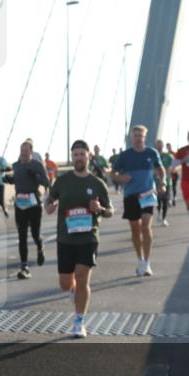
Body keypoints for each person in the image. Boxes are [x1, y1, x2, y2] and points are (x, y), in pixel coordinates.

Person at [45, 140, 113, 338]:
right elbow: (50, 198)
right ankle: (73, 291)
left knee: (83, 278)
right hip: (65, 238)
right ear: (72, 157)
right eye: (75, 155)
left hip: (88, 237)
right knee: (66, 283)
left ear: (89, 156)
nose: (79, 158)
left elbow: (110, 210)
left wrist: (100, 209)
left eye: (82, 154)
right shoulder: (63, 181)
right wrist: (48, 206)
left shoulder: (97, 183)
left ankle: (79, 321)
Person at [111, 126, 167, 276]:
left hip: (147, 193)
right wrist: (121, 178)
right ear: (131, 137)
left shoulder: (152, 153)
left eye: (140, 136)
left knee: (146, 225)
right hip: (130, 195)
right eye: (135, 136)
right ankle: (140, 260)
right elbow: (113, 174)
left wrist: (163, 182)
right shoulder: (124, 156)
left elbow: (161, 170)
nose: (137, 138)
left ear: (144, 137)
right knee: (135, 228)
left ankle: (147, 263)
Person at [5, 141, 50, 279]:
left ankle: (40, 246)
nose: (23, 152)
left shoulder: (37, 165)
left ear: (31, 151)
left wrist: (35, 176)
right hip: (20, 204)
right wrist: (9, 179)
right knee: (22, 236)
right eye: (21, 149)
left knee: (35, 233)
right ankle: (24, 266)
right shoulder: (16, 166)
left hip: (34, 204)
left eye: (26, 150)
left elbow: (47, 182)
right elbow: (17, 179)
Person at [154, 139, 173, 227]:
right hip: (155, 182)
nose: (159, 146)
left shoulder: (168, 156)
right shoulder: (152, 156)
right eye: (158, 144)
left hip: (166, 182)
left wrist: (171, 170)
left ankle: (164, 219)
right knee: (158, 200)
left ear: (163, 145)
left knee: (165, 201)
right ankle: (159, 212)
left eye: (161, 144)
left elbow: (174, 165)